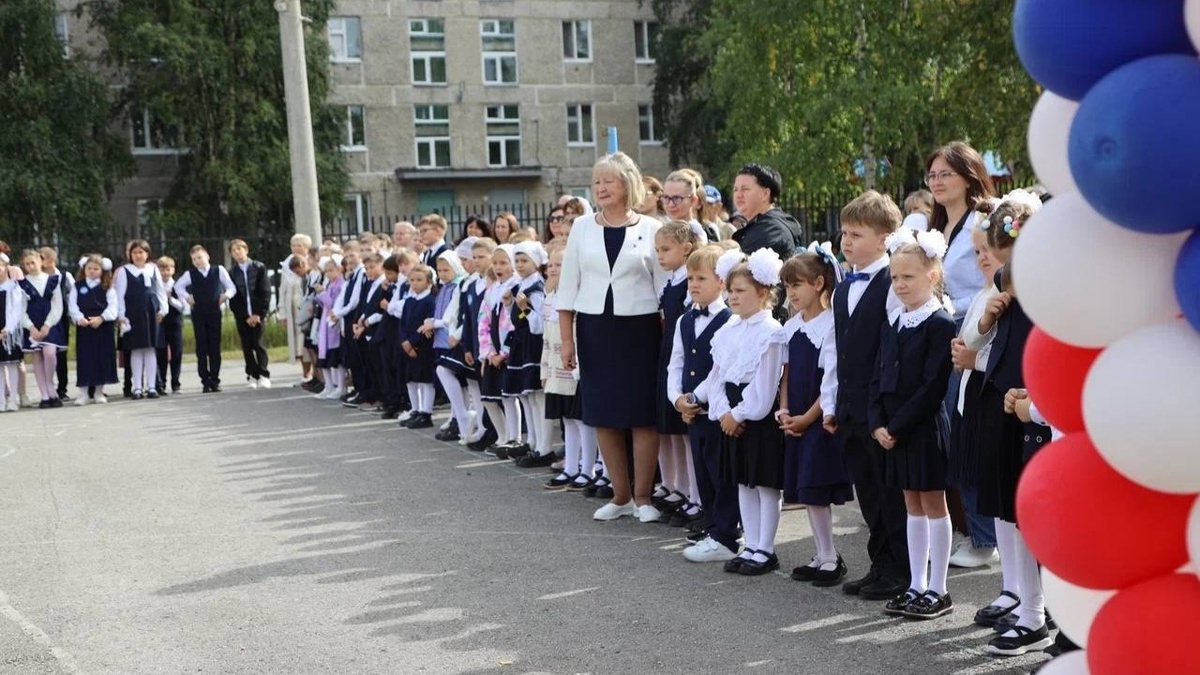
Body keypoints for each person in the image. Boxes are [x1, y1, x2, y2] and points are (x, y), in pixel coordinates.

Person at [557, 152, 668, 523]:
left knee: (642, 415)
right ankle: (619, 495)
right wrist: (567, 341)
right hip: (595, 329)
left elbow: (663, 287)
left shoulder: (651, 227)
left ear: (627, 184)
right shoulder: (581, 227)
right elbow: (567, 287)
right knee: (603, 413)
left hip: (640, 329)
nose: (601, 187)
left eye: (608, 180)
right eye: (596, 181)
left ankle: (643, 497)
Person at [966, 194, 1054, 657]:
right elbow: (976, 337)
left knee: (1035, 513)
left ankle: (1040, 612)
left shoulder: (1049, 283)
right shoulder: (1008, 280)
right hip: (1005, 398)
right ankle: (1029, 609)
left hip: (1035, 405)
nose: (1004, 270)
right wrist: (990, 313)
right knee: (1010, 507)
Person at [819, 191, 908, 602]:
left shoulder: (892, 284)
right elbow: (834, 350)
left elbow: (894, 351)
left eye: (857, 234)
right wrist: (831, 402)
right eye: (844, 233)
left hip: (881, 409)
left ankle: (902, 568)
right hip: (850, 407)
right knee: (868, 492)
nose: (846, 241)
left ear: (884, 238)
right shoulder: (842, 289)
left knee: (890, 492)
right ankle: (880, 564)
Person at [869, 229, 957, 620]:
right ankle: (916, 583)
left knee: (933, 502)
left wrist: (897, 426)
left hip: (922, 429)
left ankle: (939, 588)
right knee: (911, 504)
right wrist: (877, 422)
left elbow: (933, 385)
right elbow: (877, 377)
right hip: (893, 432)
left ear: (932, 276)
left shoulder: (939, 323)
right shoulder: (894, 321)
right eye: (895, 277)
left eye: (909, 276)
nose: (900, 284)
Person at [695, 248, 787, 575]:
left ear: (763, 293)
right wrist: (722, 412)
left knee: (764, 484)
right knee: (743, 483)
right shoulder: (728, 331)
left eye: (740, 291)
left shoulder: (772, 333)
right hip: (730, 417)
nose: (732, 297)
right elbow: (717, 377)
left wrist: (740, 414)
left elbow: (765, 387)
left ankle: (766, 548)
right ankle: (750, 545)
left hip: (756, 419)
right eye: (730, 290)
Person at [779, 244, 854, 587]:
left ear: (819, 284)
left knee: (816, 488)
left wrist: (808, 417)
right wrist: (784, 410)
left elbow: (831, 380)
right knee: (805, 490)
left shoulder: (830, 326)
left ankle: (830, 556)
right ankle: (822, 553)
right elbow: (786, 373)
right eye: (787, 286)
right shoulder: (791, 326)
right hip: (796, 419)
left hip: (817, 420)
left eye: (797, 285)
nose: (791, 293)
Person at [673, 245, 737, 563]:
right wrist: (677, 399)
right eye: (690, 278)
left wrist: (695, 398)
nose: (694, 284)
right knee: (702, 472)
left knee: (721, 473)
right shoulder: (684, 320)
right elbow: (676, 363)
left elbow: (720, 371)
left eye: (701, 278)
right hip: (693, 412)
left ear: (721, 281)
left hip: (716, 410)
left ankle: (726, 533)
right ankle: (712, 527)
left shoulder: (730, 320)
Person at [653, 220, 704, 526]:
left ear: (686, 249)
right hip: (669, 357)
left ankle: (696, 496)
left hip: (685, 359)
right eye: (657, 250)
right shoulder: (671, 281)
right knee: (672, 432)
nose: (660, 255)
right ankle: (680, 488)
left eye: (666, 249)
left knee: (686, 436)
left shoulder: (688, 283)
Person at [540, 247, 597, 490]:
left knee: (582, 420)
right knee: (568, 420)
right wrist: (544, 370)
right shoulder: (550, 298)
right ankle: (571, 467)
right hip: (556, 371)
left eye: (560, 264)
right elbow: (546, 337)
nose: (553, 269)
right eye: (551, 265)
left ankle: (588, 468)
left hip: (573, 370)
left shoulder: (578, 297)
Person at [925, 142, 996, 318]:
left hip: (979, 324)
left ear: (968, 179)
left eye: (945, 175)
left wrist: (947, 307)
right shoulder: (934, 229)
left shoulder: (986, 222)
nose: (936, 182)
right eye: (932, 176)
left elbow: (997, 285)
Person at [508, 241, 552, 468]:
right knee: (530, 397)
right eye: (517, 261)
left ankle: (545, 447)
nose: (520, 265)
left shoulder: (536, 288)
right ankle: (535, 443)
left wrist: (524, 308)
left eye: (524, 260)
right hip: (523, 346)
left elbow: (539, 325)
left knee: (539, 397)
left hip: (534, 346)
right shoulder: (522, 286)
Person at [478, 244, 524, 455]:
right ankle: (502, 435)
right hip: (492, 352)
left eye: (504, 263)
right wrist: (488, 352)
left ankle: (514, 438)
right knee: (489, 397)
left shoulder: (516, 287)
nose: (498, 267)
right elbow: (483, 321)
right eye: (495, 263)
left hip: (509, 351)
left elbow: (514, 323)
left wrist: (504, 352)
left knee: (509, 396)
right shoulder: (491, 290)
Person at [174, 245, 236, 394]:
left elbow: (231, 287)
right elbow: (178, 286)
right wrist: (187, 297)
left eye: (199, 257)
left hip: (214, 311)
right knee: (201, 347)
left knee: (214, 346)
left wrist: (226, 295)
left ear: (207, 256)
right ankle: (205, 381)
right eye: (194, 259)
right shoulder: (190, 274)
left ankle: (215, 379)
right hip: (199, 313)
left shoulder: (218, 270)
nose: (197, 261)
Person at [114, 240, 168, 400]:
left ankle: (151, 386)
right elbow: (120, 295)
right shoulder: (125, 271)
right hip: (133, 314)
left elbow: (160, 291)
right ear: (130, 255)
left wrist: (163, 310)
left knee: (150, 349)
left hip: (151, 313)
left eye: (141, 252)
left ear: (147, 254)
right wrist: (121, 316)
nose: (138, 255)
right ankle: (137, 387)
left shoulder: (153, 269)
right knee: (136, 350)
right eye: (135, 252)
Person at [428, 250, 470, 441]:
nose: (442, 274)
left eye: (447, 270)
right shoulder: (443, 287)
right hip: (441, 339)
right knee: (451, 378)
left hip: (452, 338)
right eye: (440, 270)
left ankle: (460, 418)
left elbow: (452, 316)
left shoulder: (457, 286)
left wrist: (434, 324)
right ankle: (456, 417)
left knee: (456, 378)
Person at [462, 238, 499, 450]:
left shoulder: (494, 284)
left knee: (493, 393)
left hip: (492, 348)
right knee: (484, 392)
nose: (476, 261)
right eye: (474, 257)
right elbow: (468, 319)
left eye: (481, 257)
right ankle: (488, 430)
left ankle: (497, 433)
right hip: (477, 347)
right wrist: (467, 346)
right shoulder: (472, 285)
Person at [18, 249, 66, 408]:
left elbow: (57, 306)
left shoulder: (53, 280)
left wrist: (48, 324)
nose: (30, 266)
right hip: (33, 325)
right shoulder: (22, 284)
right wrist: (30, 327)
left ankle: (50, 385)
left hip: (49, 324)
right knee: (37, 356)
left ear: (40, 260)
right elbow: (20, 309)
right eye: (27, 264)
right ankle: (45, 395)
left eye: (33, 262)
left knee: (50, 353)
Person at [68, 254, 119, 405]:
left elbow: (113, 306)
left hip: (102, 327)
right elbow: (73, 305)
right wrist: (79, 318)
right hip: (85, 328)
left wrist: (101, 318)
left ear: (102, 270)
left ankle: (98, 391)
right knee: (85, 359)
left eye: (96, 269)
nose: (92, 271)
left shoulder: (107, 287)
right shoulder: (78, 286)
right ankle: (83, 393)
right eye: (89, 268)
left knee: (101, 358)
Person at [730, 164, 803, 263]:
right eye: (735, 189)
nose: (738, 195)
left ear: (765, 194)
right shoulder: (761, 226)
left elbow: (741, 268)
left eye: (745, 189)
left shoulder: (770, 231)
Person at [397, 264, 437, 428]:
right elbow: (402, 324)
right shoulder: (409, 301)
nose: (415, 283)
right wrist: (404, 342)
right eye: (412, 280)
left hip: (423, 347)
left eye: (419, 280)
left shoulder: (430, 301)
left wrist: (413, 342)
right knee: (411, 380)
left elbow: (426, 328)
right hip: (408, 347)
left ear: (429, 282)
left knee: (425, 380)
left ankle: (426, 413)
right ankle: (415, 409)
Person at [227, 239, 271, 389]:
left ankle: (264, 374)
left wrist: (259, 314)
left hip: (257, 315)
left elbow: (264, 291)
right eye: (234, 250)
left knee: (258, 344)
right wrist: (244, 316)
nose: (237, 252)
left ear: (246, 250)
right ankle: (252, 374)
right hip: (243, 316)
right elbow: (234, 297)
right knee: (247, 345)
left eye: (239, 249)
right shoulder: (232, 273)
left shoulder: (259, 268)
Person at [360, 253, 399, 416]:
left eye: (372, 267)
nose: (368, 271)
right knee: (376, 367)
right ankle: (382, 397)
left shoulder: (388, 285)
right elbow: (368, 305)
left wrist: (369, 320)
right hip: (371, 330)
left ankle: (388, 399)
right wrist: (362, 320)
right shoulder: (376, 284)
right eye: (366, 268)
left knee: (386, 369)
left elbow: (384, 309)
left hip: (382, 330)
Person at [333, 242, 368, 404]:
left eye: (352, 255)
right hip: (347, 318)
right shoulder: (351, 275)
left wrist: (339, 313)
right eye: (347, 256)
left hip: (354, 316)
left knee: (359, 357)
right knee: (352, 356)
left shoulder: (362, 273)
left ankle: (363, 390)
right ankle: (358, 388)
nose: (350, 259)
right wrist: (337, 313)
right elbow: (343, 296)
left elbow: (355, 300)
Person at [39, 247, 73, 401]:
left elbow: (72, 295)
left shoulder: (64, 276)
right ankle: (47, 387)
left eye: (41, 258)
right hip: (42, 318)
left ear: (50, 260)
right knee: (45, 354)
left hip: (61, 319)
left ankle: (62, 388)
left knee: (61, 353)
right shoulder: (38, 278)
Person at [278, 234, 313, 379]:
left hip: (308, 307)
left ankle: (313, 373)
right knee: (297, 343)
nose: (296, 248)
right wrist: (282, 314)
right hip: (292, 308)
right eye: (294, 245)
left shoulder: (311, 264)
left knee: (307, 341)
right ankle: (305, 373)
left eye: (300, 245)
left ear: (306, 247)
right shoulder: (287, 265)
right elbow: (282, 290)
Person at [313, 255, 346, 400]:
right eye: (326, 271)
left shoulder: (340, 285)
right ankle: (329, 385)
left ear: (339, 269)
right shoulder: (330, 284)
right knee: (324, 356)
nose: (328, 274)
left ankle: (340, 386)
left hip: (333, 325)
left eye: (331, 270)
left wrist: (322, 293)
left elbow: (332, 304)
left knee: (335, 358)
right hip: (325, 324)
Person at [155, 256, 184, 395]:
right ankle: (161, 384)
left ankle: (176, 383)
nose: (165, 273)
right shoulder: (156, 285)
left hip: (175, 323)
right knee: (161, 353)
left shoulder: (177, 286)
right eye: (162, 270)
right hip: (161, 323)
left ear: (173, 270)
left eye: (168, 269)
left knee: (176, 353)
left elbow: (183, 306)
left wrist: (170, 299)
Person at [0, 251, 24, 412]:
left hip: (9, 332)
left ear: (6, 267)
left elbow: (17, 311)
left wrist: (7, 329)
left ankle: (13, 399)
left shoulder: (13, 287)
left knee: (12, 365)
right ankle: (1, 400)